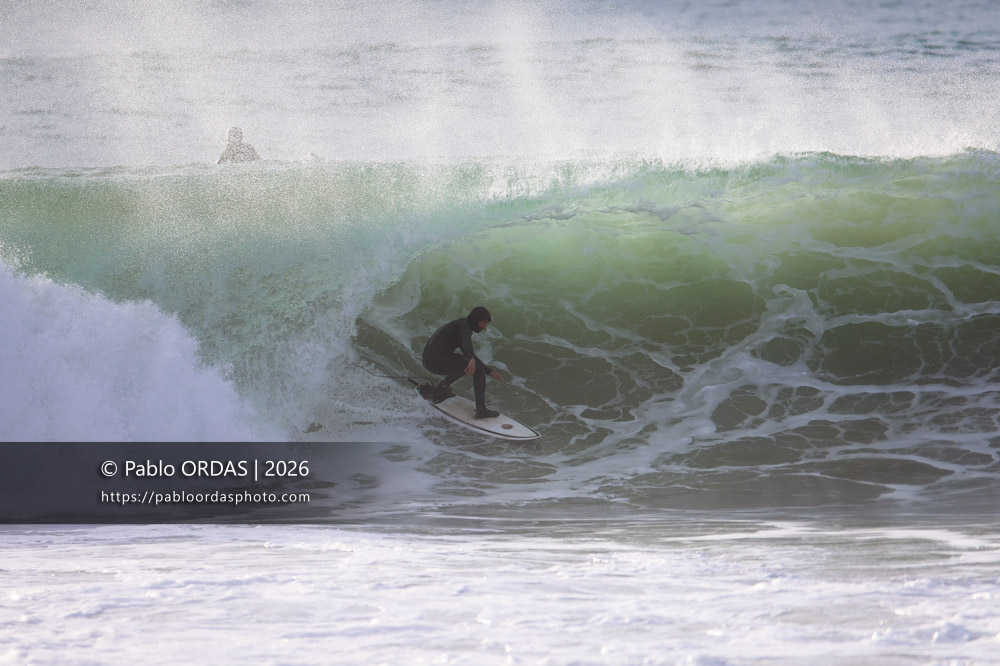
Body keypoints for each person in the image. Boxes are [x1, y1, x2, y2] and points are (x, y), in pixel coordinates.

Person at [421, 306, 504, 419]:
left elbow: (467, 350)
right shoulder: (463, 326)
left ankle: (441, 390)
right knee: (476, 369)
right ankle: (481, 411)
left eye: (486, 323)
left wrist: (489, 371)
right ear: (476, 319)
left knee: (465, 363)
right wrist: (472, 359)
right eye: (483, 322)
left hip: (432, 359)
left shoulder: (461, 326)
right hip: (434, 361)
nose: (484, 327)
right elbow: (467, 344)